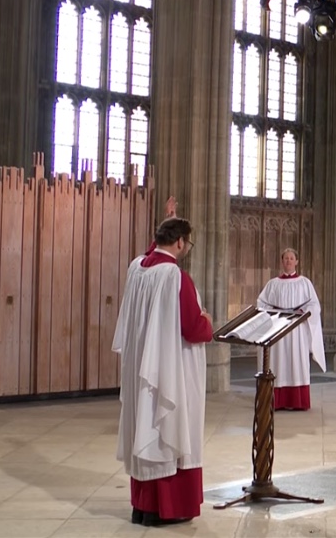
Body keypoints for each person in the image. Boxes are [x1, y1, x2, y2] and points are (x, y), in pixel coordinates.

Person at [113, 217, 213, 527]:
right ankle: (166, 508)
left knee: (146, 424)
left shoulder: (137, 268)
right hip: (171, 368)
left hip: (144, 366)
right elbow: (193, 328)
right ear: (181, 242)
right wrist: (207, 321)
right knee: (168, 429)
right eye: (188, 242)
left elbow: (150, 255)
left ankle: (143, 507)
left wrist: (164, 220)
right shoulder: (176, 277)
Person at [255, 248, 326, 410]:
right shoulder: (273, 284)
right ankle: (277, 401)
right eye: (286, 258)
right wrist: (272, 314)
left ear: (297, 262)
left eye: (291, 258)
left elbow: (314, 304)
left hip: (297, 330)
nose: (288, 261)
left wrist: (303, 312)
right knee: (278, 362)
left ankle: (297, 401)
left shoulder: (304, 283)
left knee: (296, 362)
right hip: (278, 329)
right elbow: (261, 303)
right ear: (282, 261)